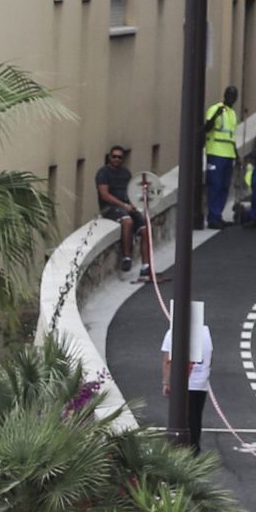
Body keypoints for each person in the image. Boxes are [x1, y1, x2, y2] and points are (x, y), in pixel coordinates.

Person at [161, 301, 214, 451]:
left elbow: (167, 360)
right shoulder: (205, 332)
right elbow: (210, 356)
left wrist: (166, 382)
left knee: (179, 418)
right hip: (201, 383)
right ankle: (194, 447)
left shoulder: (172, 333)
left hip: (182, 383)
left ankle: (180, 449)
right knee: (195, 417)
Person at [95, 144, 151, 279]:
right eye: (114, 157)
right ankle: (126, 257)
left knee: (145, 228)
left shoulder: (126, 173)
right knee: (127, 221)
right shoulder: (103, 173)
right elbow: (104, 194)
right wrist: (123, 205)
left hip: (126, 205)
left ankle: (146, 266)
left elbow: (130, 190)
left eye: (119, 157)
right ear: (109, 157)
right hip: (110, 208)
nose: (116, 159)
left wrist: (133, 204)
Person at [205, 84, 240, 226]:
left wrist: (237, 156)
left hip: (228, 155)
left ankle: (218, 215)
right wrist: (216, 115)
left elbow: (231, 137)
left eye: (234, 95)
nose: (231, 97)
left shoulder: (232, 113)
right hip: (215, 153)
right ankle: (213, 218)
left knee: (224, 186)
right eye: (229, 94)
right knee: (215, 185)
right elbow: (207, 127)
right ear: (225, 95)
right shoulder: (215, 109)